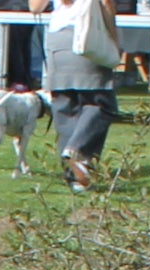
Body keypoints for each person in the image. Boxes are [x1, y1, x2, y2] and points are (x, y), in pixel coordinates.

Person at [36, 0, 120, 190]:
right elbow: (106, 5)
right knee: (102, 104)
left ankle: (74, 176)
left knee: (65, 107)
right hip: (87, 35)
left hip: (57, 39)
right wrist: (114, 39)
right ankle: (78, 151)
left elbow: (35, 7)